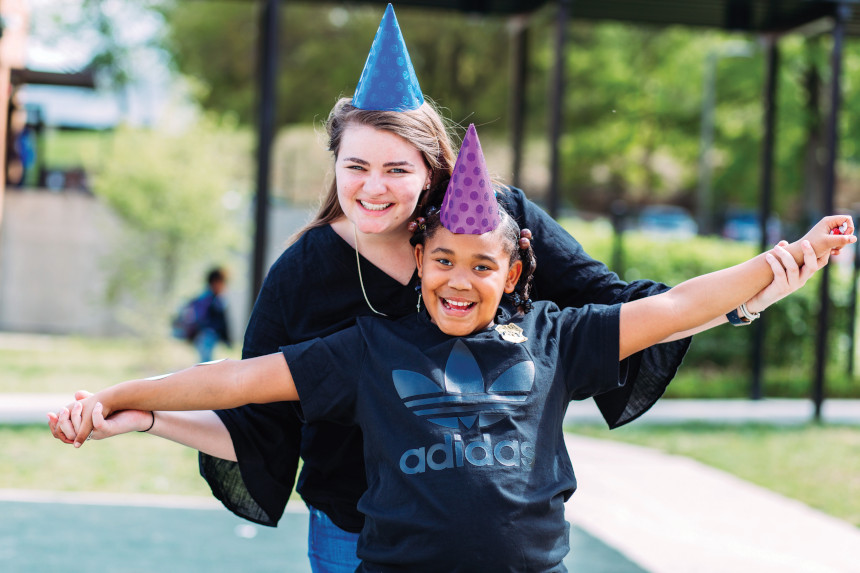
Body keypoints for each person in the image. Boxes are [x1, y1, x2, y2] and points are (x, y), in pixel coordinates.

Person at [47, 7, 830, 572]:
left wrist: (759, 281)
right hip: (361, 541)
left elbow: (640, 309)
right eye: (354, 167)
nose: (373, 188)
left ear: (433, 173)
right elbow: (253, 410)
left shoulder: (496, 227)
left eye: (396, 169)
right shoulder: (311, 280)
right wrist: (137, 410)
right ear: (335, 167)